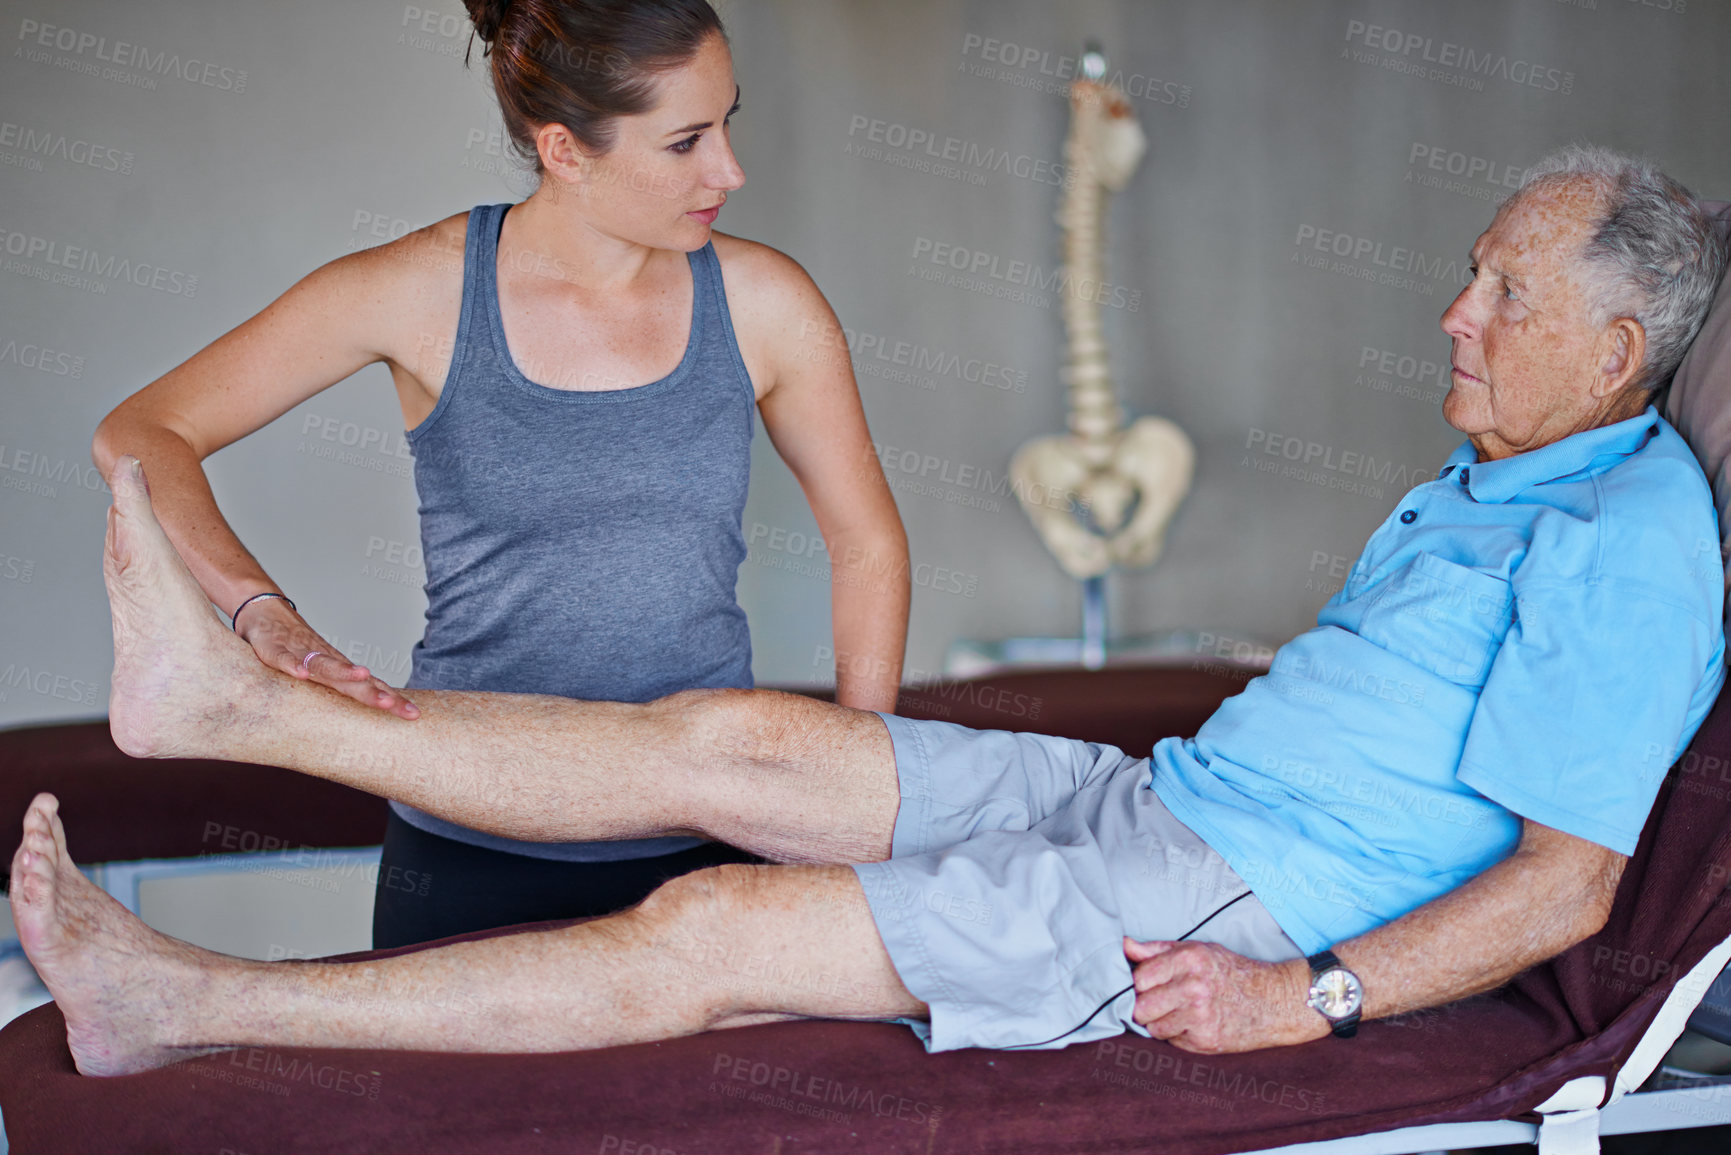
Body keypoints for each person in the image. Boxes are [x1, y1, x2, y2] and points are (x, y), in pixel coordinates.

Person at [15, 145, 1726, 1075]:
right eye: (1472, 270)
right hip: (1171, 797)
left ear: (1611, 351)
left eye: (1500, 289)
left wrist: (1308, 1000)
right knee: (740, 740)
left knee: (709, 931)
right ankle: (249, 710)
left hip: (1221, 893)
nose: (1452, 309)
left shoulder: (1626, 538)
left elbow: (1564, 887)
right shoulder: (1504, 470)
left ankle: (178, 1000)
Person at [88, 0, 909, 948]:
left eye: (728, 122)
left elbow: (866, 541)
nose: (729, 169)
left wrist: (857, 781)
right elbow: (142, 431)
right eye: (685, 141)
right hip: (467, 843)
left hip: (715, 833)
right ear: (564, 150)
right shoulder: (421, 289)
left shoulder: (768, 301)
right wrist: (256, 610)